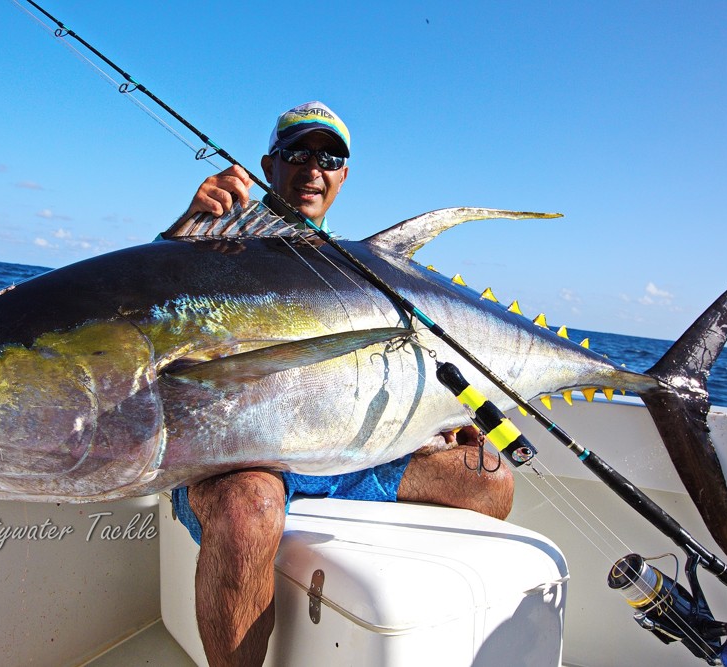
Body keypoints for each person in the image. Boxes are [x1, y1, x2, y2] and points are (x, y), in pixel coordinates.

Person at [171, 101, 515, 667]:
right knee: (247, 505)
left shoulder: (358, 272)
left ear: (344, 176)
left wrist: (450, 418)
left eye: (330, 157)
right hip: (240, 461)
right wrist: (183, 231)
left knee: (492, 480)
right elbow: (142, 318)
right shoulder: (219, 245)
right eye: (298, 153)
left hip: (344, 459)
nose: (314, 168)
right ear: (268, 163)